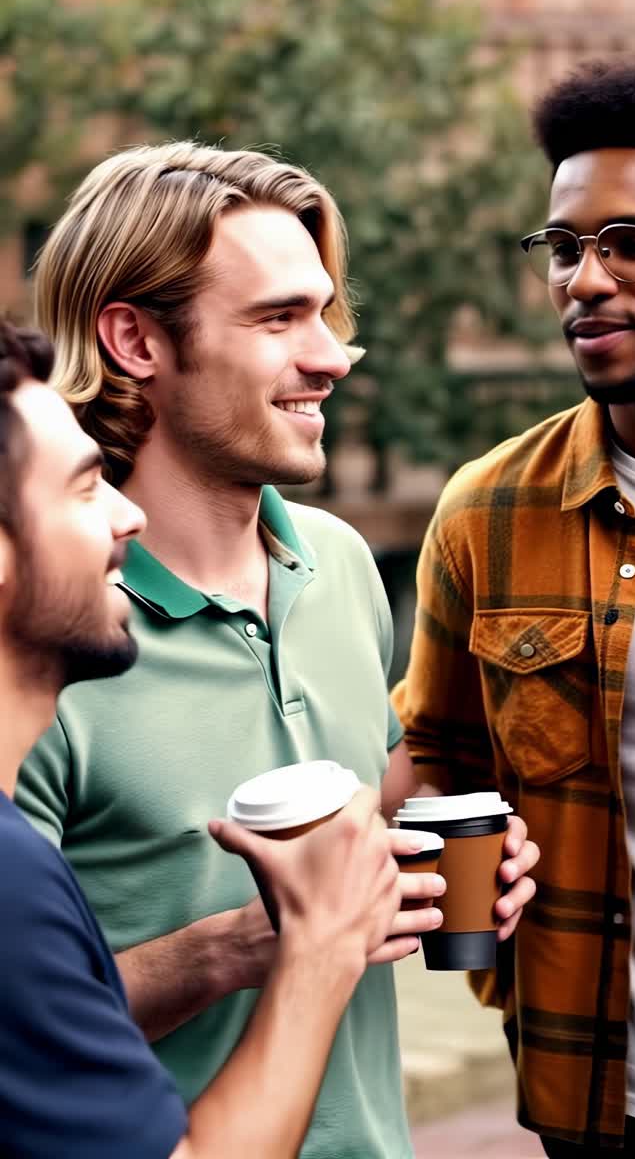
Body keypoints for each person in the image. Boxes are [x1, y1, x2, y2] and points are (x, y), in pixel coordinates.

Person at [16, 142, 539, 1157]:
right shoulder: (48, 639)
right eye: (279, 319)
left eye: (327, 311)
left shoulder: (339, 564)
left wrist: (438, 867)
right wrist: (248, 947)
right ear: (134, 338)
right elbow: (19, 1029)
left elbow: (370, 798)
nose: (334, 354)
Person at [392, 44, 635, 1156]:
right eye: (565, 246)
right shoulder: (489, 510)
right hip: (610, 1096)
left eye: (632, 243)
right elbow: (430, 748)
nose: (585, 278)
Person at [0, 317, 412, 1158]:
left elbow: (392, 781)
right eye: (84, 488)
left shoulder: (343, 563)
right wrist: (311, 948)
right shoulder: (11, 874)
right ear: (135, 341)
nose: (125, 515)